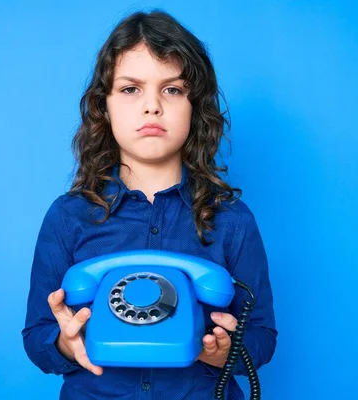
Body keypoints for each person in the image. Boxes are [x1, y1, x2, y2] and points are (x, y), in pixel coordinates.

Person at [22, 9, 277, 400]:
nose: (152, 106)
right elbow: (38, 333)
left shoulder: (231, 220)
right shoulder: (68, 216)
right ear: (103, 107)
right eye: (130, 89)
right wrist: (64, 344)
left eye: (172, 89)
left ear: (195, 107)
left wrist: (226, 353)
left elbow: (261, 335)